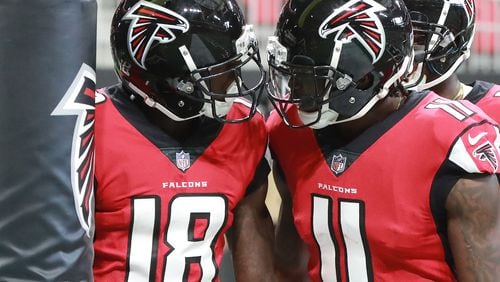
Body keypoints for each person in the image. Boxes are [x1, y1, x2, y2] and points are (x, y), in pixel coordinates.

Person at [265, 0, 500, 281]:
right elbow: (289, 266)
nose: (294, 89)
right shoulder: (289, 132)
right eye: (292, 71)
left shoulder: (450, 141)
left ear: (364, 79)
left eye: (309, 76)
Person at [93, 0, 276, 281]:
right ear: (172, 74)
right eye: (221, 65)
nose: (234, 79)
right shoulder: (94, 126)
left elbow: (253, 227)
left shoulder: (243, 128)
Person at [403, 0, 500, 122]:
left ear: (454, 41)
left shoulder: (495, 108)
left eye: (416, 38)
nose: (401, 52)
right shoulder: (380, 114)